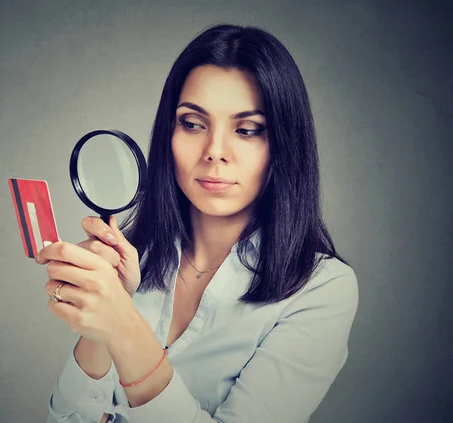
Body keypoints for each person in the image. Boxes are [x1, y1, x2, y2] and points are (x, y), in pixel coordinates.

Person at [36, 23, 359, 423]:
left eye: (247, 130)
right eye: (192, 123)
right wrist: (99, 326)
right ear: (168, 132)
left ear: (282, 146)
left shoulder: (322, 289)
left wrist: (123, 326)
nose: (214, 152)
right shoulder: (136, 259)